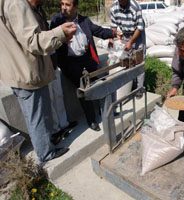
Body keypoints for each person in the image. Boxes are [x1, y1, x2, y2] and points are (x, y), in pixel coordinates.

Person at [0, 0, 77, 163]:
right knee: (38, 117)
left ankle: (43, 145)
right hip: (27, 72)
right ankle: (46, 153)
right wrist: (60, 33)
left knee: (32, 116)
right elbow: (33, 41)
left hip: (16, 72)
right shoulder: (17, 4)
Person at [50, 0, 117, 131]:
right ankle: (91, 120)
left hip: (87, 59)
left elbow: (99, 31)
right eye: (62, 4)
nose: (63, 8)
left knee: (98, 83)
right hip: (70, 62)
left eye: (67, 5)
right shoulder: (57, 21)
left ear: (75, 7)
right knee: (83, 89)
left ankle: (105, 111)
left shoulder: (84, 20)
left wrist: (114, 33)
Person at [27, 0, 78, 144]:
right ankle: (56, 129)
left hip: (53, 61)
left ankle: (64, 124)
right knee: (50, 99)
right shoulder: (26, 11)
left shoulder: (39, 10)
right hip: (42, 63)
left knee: (58, 95)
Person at [110, 0, 146, 98]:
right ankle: (129, 85)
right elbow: (113, 26)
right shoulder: (113, 7)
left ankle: (139, 88)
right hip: (125, 34)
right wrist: (111, 38)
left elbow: (139, 27)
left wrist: (131, 42)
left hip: (137, 34)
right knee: (127, 61)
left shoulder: (135, 7)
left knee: (139, 61)